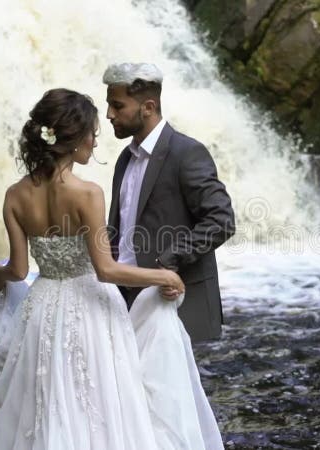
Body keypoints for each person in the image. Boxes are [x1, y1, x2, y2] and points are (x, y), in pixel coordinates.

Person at [0, 88, 221, 449]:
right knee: (95, 406)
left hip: (42, 308)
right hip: (91, 310)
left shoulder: (15, 196)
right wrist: (164, 276)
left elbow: (17, 271)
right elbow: (106, 269)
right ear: (74, 139)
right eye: (92, 134)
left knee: (43, 402)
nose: (95, 142)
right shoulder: (87, 193)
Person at [103, 63, 235, 342]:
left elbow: (221, 221)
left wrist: (169, 260)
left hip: (174, 302)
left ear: (148, 107)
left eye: (117, 106)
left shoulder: (187, 153)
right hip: (124, 302)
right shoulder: (124, 159)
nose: (109, 115)